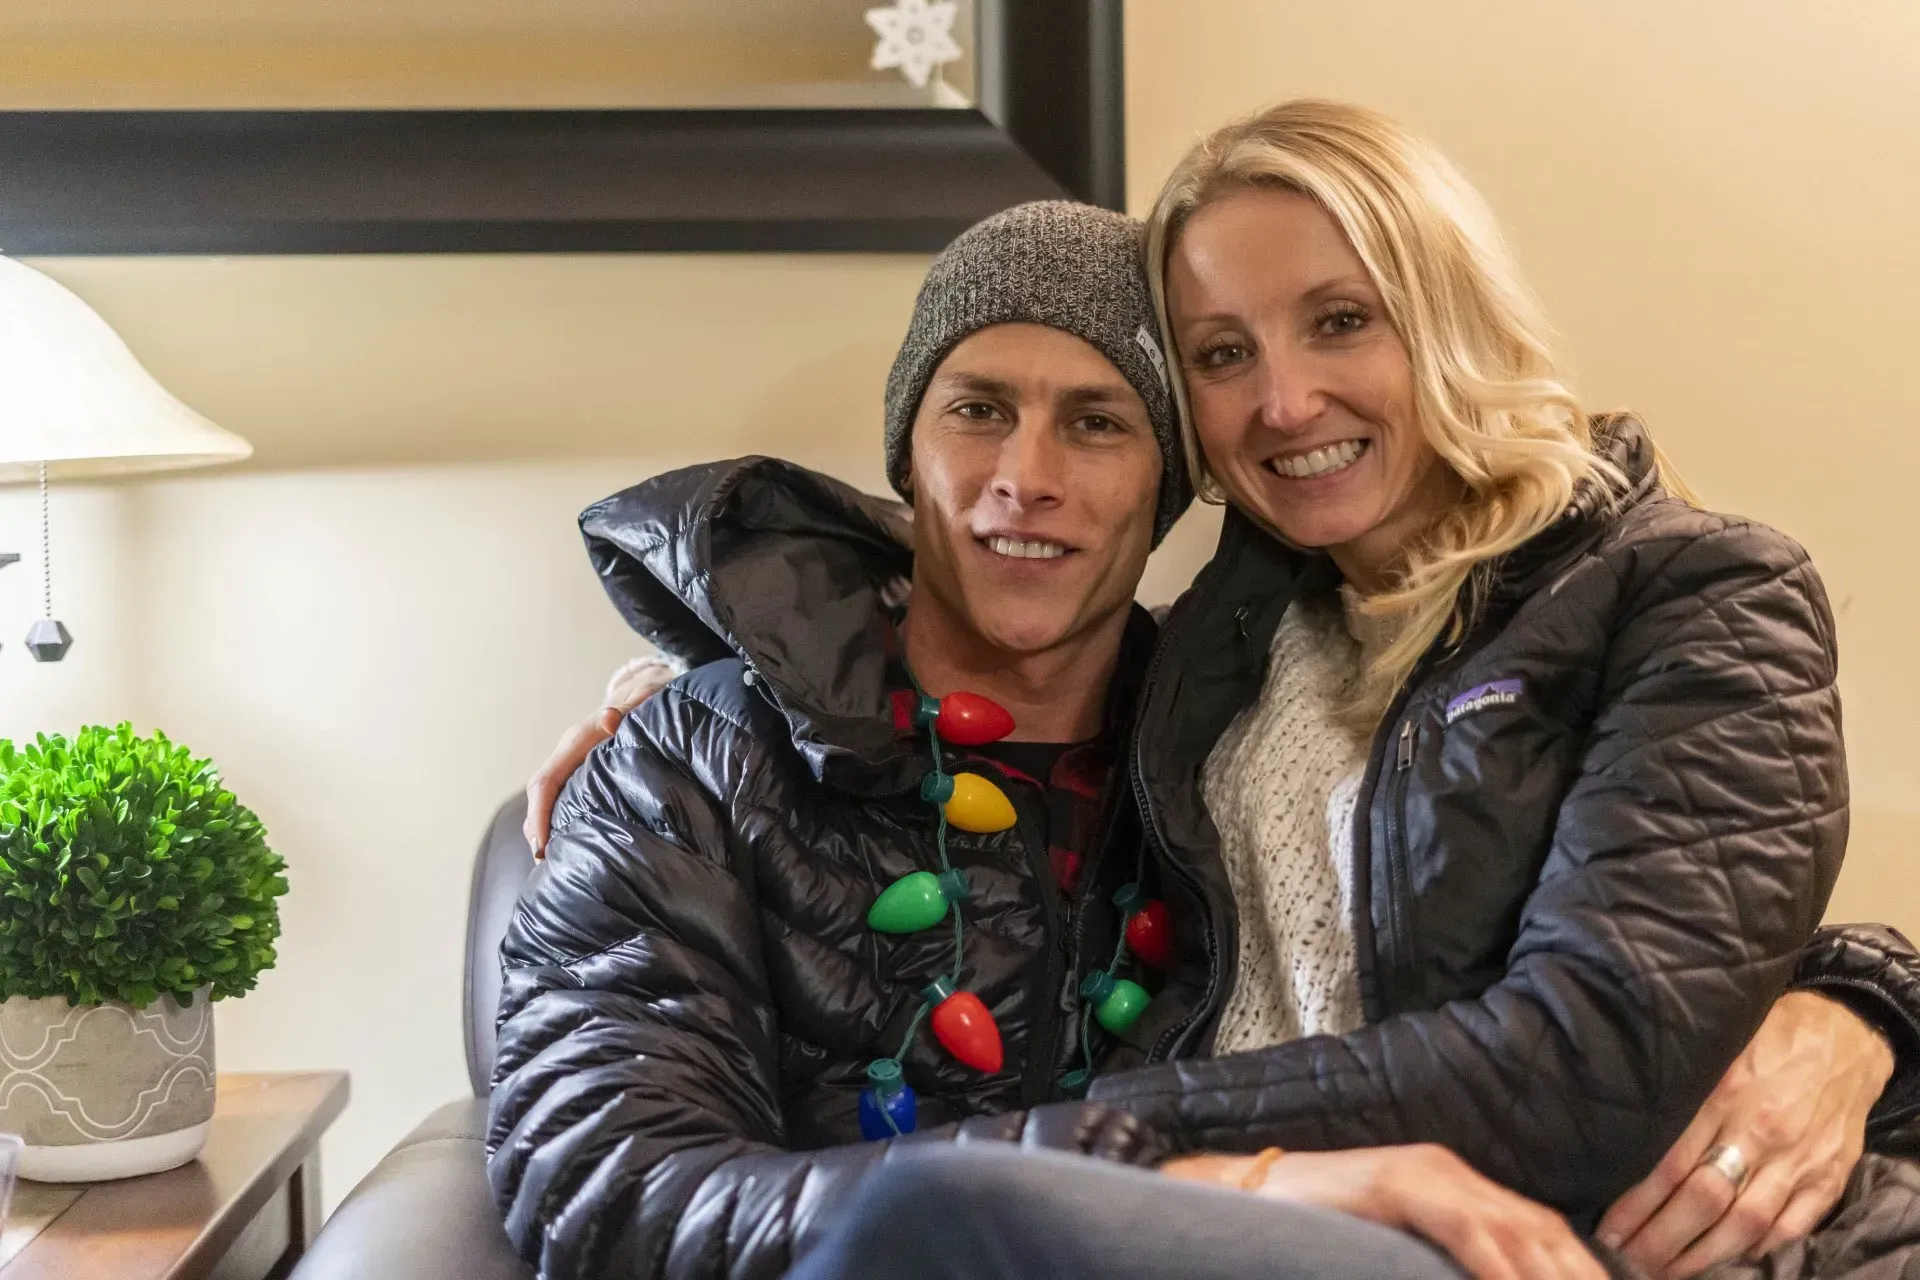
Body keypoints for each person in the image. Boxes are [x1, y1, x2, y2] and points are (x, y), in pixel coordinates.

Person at [515, 105, 1920, 1280]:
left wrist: (1866, 1008)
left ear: (1168, 479)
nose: (1027, 477)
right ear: (907, 455)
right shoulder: (710, 758)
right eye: (975, 408)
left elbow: (1621, 967)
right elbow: (610, 1186)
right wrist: (719, 671)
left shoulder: (1250, 691)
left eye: (1101, 421)